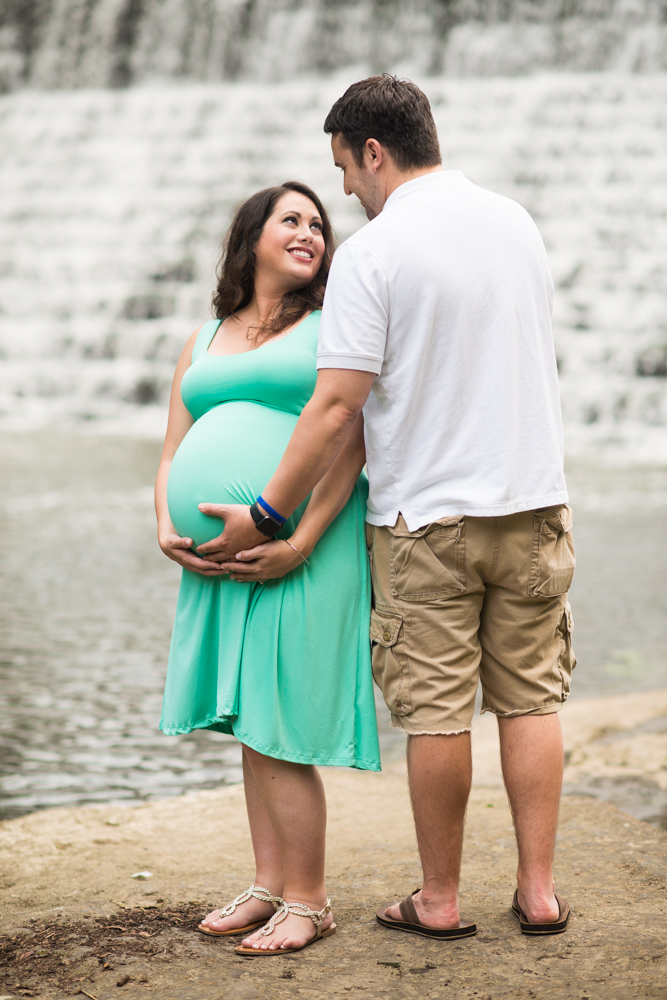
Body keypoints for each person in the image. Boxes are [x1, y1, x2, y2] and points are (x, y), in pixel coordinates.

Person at [205, 75, 576, 940]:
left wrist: (268, 515)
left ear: (373, 151)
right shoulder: (515, 222)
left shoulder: (375, 252)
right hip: (534, 504)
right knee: (531, 701)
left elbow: (335, 407)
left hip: (425, 523)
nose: (342, 190)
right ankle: (538, 893)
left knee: (439, 713)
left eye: (343, 167)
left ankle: (438, 901)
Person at [154, 180, 381, 955]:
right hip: (216, 555)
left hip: (301, 546)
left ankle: (308, 900)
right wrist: (164, 520)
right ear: (250, 235)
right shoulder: (206, 334)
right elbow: (174, 444)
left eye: (319, 224)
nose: (310, 232)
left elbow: (350, 438)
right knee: (253, 723)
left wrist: (301, 539)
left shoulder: (331, 325)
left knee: (280, 720)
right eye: (291, 220)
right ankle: (266, 884)